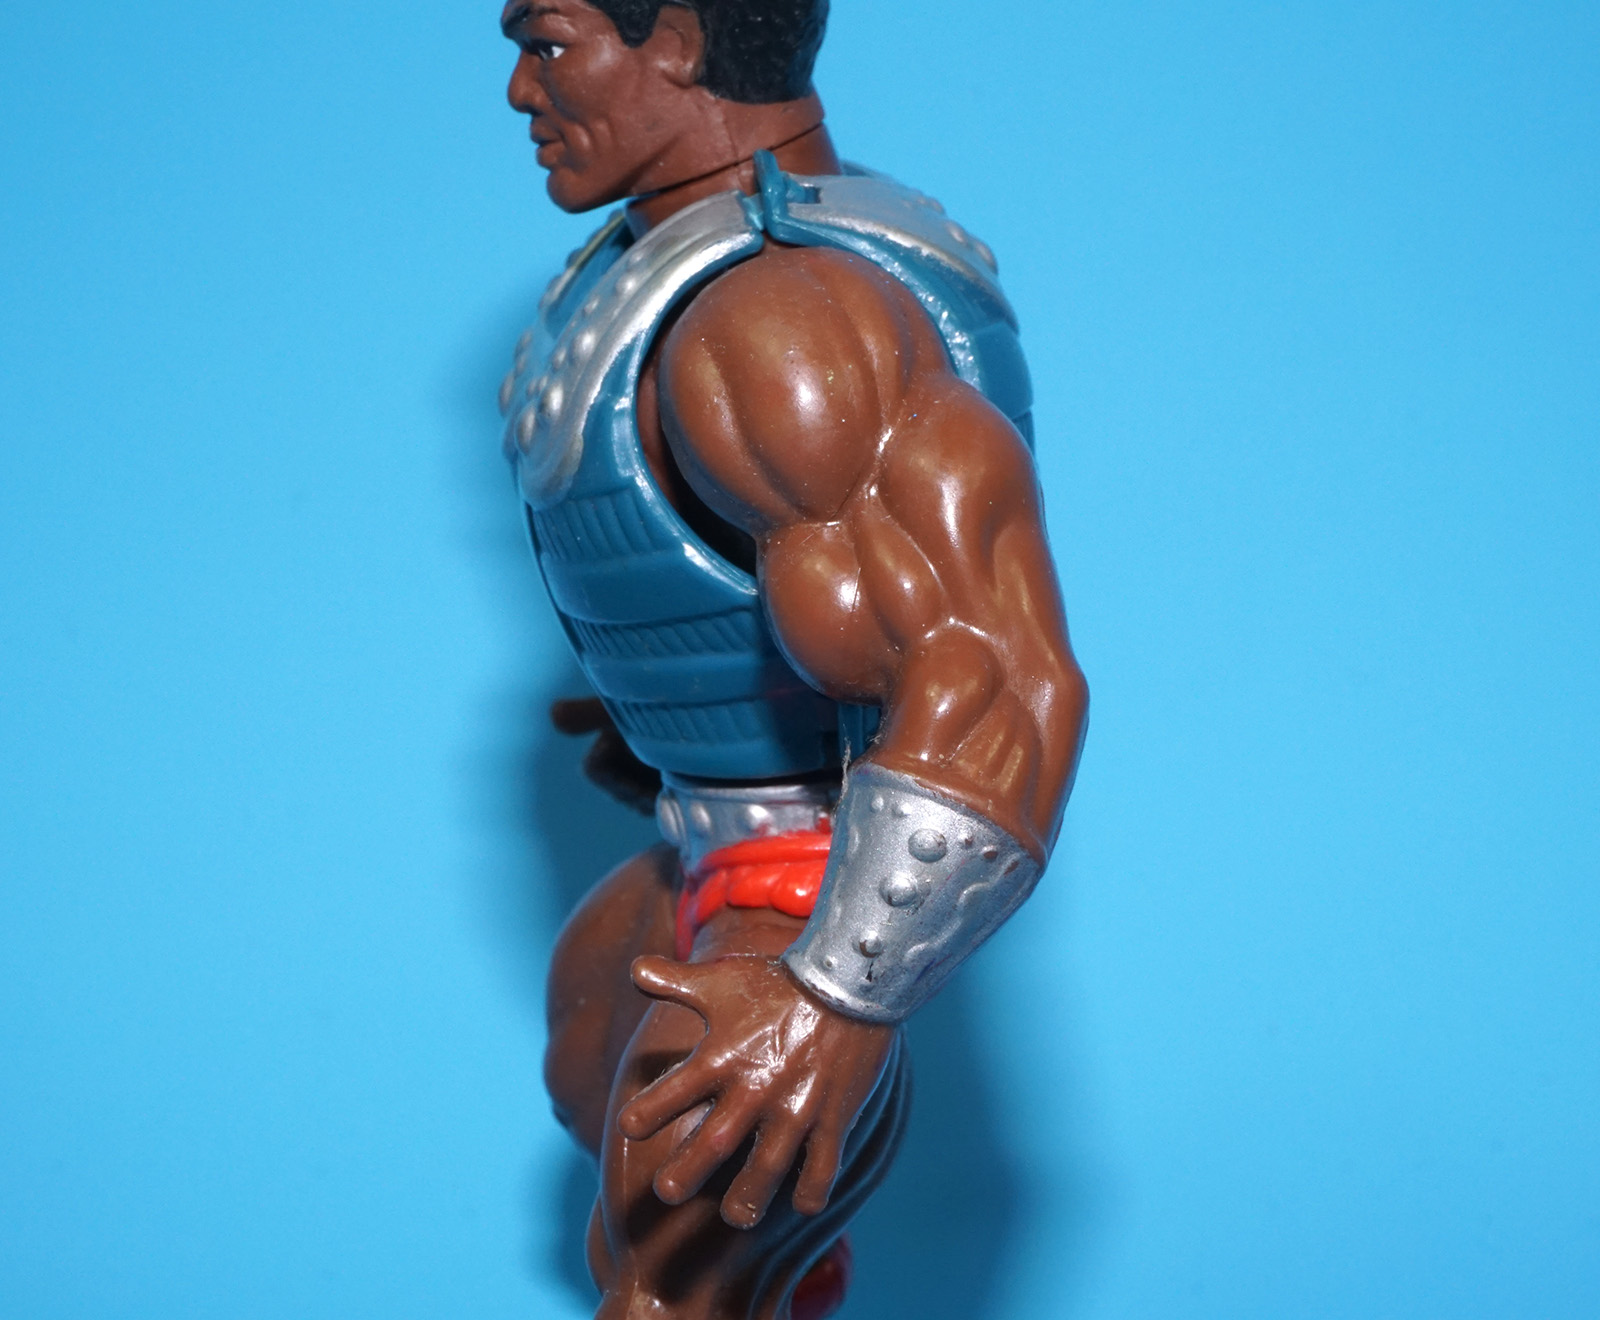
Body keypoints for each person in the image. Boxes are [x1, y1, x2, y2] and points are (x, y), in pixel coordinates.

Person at [497, 2, 1089, 1315]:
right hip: (704, 844)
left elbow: (993, 675)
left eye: (550, 43)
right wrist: (678, 700)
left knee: (669, 1276)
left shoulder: (777, 317)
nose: (523, 92)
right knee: (606, 1097)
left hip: (809, 893)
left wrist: (836, 993)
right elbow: (759, 568)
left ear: (679, 41)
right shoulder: (672, 269)